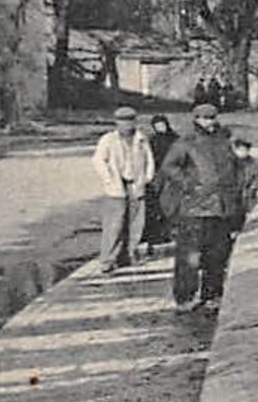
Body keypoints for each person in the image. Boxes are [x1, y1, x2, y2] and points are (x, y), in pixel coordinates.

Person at [160, 103, 241, 313]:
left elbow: (236, 167)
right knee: (190, 256)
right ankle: (185, 296)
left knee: (217, 254)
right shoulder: (186, 142)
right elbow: (169, 166)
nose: (209, 122)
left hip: (221, 207)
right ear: (195, 119)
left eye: (212, 117)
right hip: (194, 208)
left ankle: (212, 294)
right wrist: (188, 183)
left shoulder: (224, 140)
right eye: (204, 118)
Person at [90, 106, 156, 274]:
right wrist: (108, 178)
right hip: (116, 186)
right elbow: (98, 160)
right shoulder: (108, 139)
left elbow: (149, 159)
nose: (126, 125)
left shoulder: (141, 139)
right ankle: (108, 259)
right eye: (122, 121)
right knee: (114, 223)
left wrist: (147, 178)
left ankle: (130, 254)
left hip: (136, 183)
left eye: (130, 121)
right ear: (116, 122)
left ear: (135, 121)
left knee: (135, 223)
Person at [141, 113, 180, 257]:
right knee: (158, 204)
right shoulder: (152, 141)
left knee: (172, 204)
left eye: (162, 125)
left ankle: (172, 232)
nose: (160, 128)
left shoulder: (176, 139)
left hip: (172, 176)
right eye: (157, 126)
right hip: (158, 176)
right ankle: (159, 234)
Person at [232, 137, 258, 217]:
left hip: (247, 192)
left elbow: (257, 177)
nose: (243, 152)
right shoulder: (231, 162)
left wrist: (253, 187)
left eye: (246, 150)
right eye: (241, 150)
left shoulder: (252, 162)